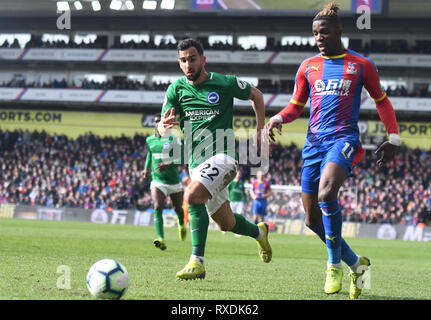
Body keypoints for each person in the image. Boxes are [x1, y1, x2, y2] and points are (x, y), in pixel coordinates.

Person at [264, 2, 400, 299]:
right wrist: (277, 117)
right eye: (315, 34)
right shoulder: (307, 67)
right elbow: (296, 106)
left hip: (344, 139)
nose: (319, 38)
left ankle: (333, 265)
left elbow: (382, 101)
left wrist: (394, 137)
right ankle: (357, 264)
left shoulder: (361, 65)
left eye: (324, 32)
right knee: (312, 220)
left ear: (339, 31)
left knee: (327, 194)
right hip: (313, 144)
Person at [157, 38, 272, 280]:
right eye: (183, 60)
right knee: (226, 224)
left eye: (192, 58)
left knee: (192, 196)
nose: (188, 64)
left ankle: (197, 261)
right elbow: (163, 124)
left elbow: (256, 95)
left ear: (203, 60)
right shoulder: (176, 90)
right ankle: (259, 233)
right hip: (196, 164)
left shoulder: (224, 83)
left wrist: (260, 130)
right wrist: (162, 127)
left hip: (224, 158)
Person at [141, 115, 187, 251]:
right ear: (154, 125)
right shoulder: (149, 140)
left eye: (160, 121)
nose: (158, 124)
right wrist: (145, 168)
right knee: (157, 206)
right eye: (156, 122)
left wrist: (169, 163)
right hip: (157, 181)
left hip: (173, 182)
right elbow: (150, 153)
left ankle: (181, 224)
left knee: (178, 208)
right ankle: (161, 238)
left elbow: (183, 156)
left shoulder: (173, 138)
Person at [227, 169, 248, 236]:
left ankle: (237, 231)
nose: (239, 175)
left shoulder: (241, 184)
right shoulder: (231, 183)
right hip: (232, 201)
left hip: (239, 202)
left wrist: (246, 201)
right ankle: (227, 228)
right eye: (238, 174)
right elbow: (227, 191)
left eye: (240, 174)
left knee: (239, 215)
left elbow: (244, 193)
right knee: (231, 215)